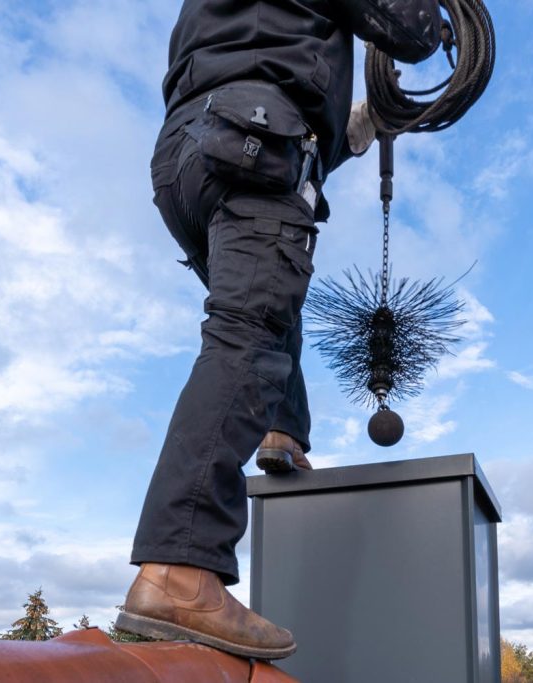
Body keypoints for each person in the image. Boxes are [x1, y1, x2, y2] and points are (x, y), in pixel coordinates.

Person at [118, 0, 442, 661]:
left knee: (266, 306)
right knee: (250, 329)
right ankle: (179, 569)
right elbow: (410, 29)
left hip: (190, 155)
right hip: (252, 142)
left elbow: (264, 71)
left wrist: (356, 127)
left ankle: (282, 431)